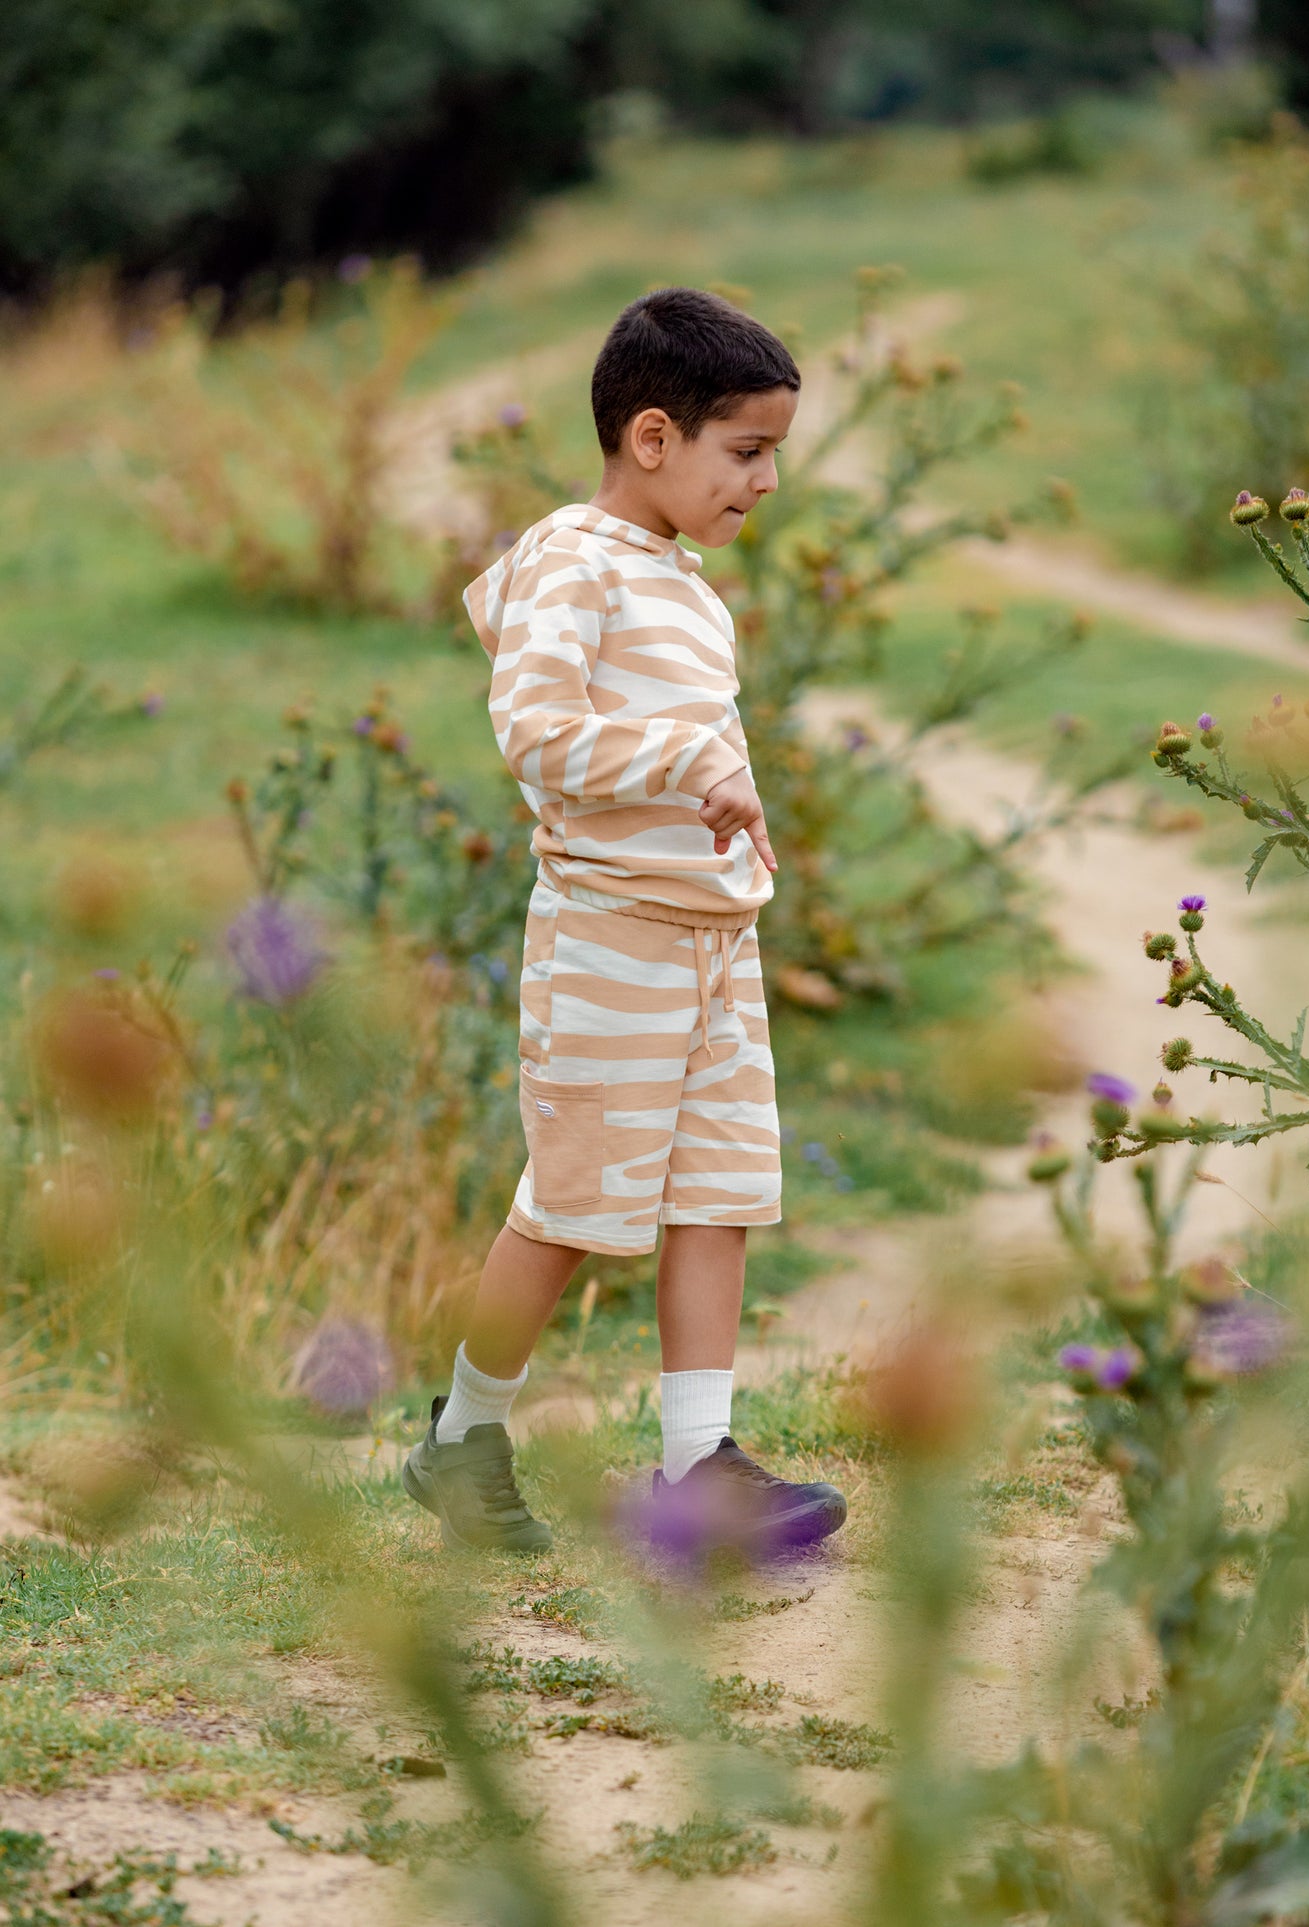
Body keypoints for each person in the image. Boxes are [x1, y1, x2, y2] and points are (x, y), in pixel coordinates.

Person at [402, 287, 847, 1556]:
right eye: (745, 451)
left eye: (773, 454)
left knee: (715, 1194)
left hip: (714, 947)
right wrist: (685, 761)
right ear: (652, 438)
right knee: (571, 1207)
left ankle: (699, 1466)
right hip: (607, 942)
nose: (765, 482)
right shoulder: (571, 562)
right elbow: (532, 732)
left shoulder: (682, 583)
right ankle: (460, 1436)